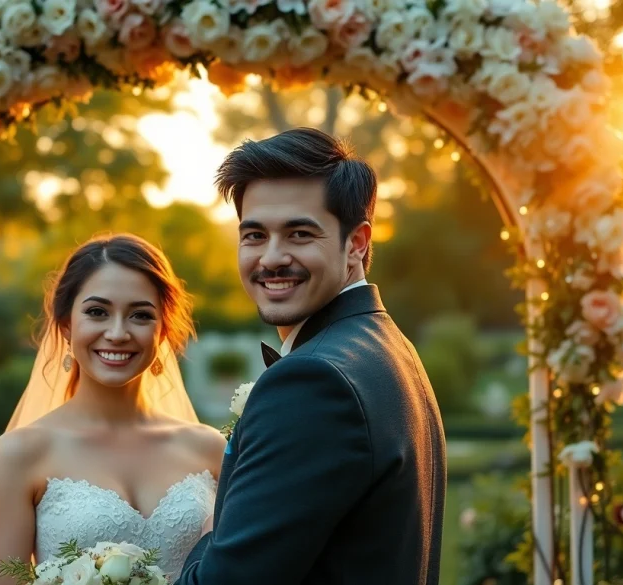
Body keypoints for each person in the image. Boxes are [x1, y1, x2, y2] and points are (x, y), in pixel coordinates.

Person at [176, 128, 448, 585]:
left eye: (300, 234)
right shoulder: (387, 346)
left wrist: (210, 531)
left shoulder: (314, 380)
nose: (272, 257)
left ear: (356, 243)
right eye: (255, 235)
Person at [0, 234, 226, 585]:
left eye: (140, 315)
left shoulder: (210, 449)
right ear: (66, 324)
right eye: (97, 312)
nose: (118, 332)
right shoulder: (19, 455)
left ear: (164, 329)